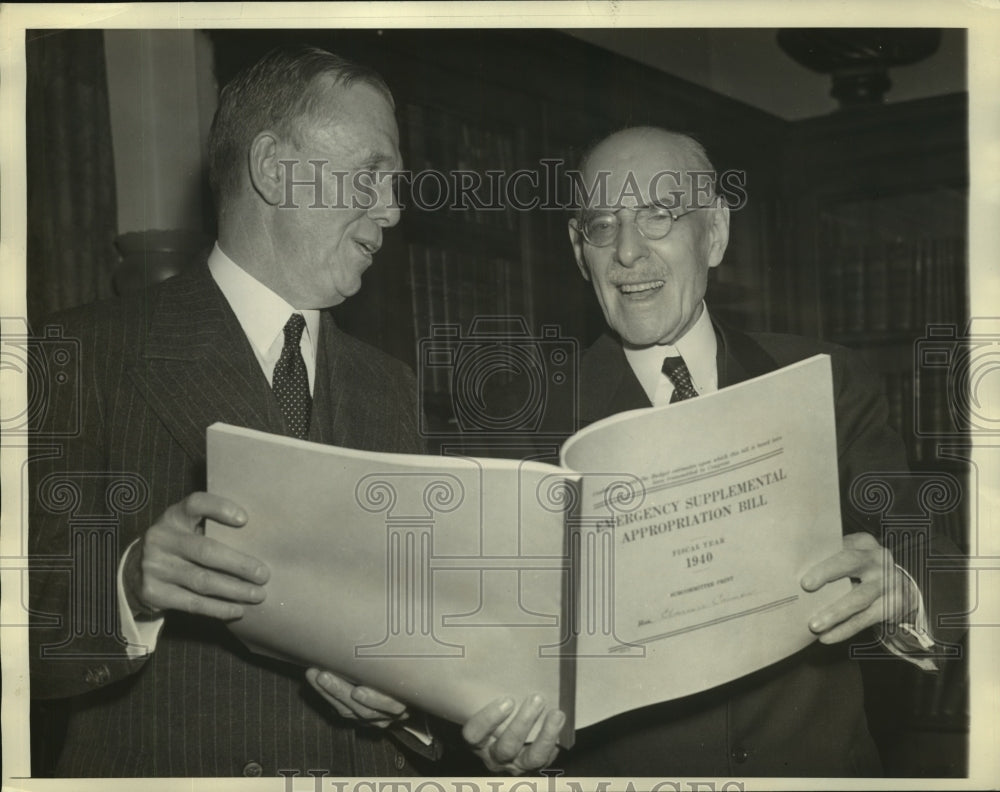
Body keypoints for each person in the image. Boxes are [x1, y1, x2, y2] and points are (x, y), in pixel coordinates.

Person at [28, 45, 560, 778]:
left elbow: (415, 637)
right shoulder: (81, 350)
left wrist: (404, 702)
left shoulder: (390, 387)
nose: (394, 209)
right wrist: (126, 585)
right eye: (372, 174)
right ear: (275, 169)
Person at [530, 126, 964, 777]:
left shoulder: (824, 378)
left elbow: (929, 551)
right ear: (578, 249)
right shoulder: (528, 422)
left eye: (658, 215)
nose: (626, 251)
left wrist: (903, 587)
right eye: (601, 225)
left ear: (714, 233)